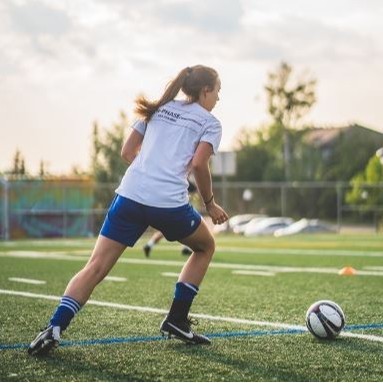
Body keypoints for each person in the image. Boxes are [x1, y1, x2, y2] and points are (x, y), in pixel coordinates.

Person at [28, 64, 229, 356]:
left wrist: (150, 171)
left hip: (130, 196)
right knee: (205, 246)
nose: (219, 98)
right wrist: (210, 204)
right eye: (218, 91)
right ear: (205, 90)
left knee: (94, 267)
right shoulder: (210, 122)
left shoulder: (157, 108)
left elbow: (126, 152)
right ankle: (176, 319)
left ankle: (54, 328)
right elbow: (199, 164)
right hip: (168, 204)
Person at [143, 180, 197, 257]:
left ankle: (149, 244)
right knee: (187, 228)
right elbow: (193, 191)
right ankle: (186, 248)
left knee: (165, 230)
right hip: (175, 209)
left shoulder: (167, 180)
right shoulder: (181, 180)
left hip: (165, 208)